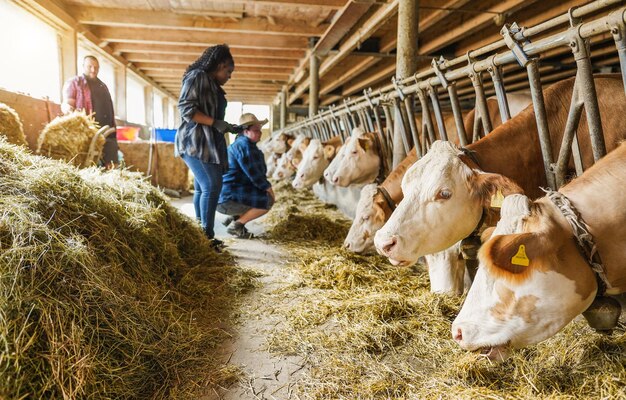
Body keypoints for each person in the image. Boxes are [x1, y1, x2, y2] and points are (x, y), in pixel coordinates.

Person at [175, 44, 239, 250]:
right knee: (212, 185)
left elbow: (213, 116)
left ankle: (200, 235)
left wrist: (228, 126)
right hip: (194, 141)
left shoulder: (211, 84)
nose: (229, 76)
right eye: (228, 71)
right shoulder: (197, 76)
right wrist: (215, 123)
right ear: (220, 65)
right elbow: (186, 109)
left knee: (204, 187)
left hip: (206, 142)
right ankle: (207, 236)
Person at [218, 113, 275, 239]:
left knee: (258, 194)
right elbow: (255, 174)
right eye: (256, 130)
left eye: (260, 130)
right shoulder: (245, 146)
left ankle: (233, 218)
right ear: (245, 131)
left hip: (224, 194)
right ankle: (236, 225)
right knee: (267, 200)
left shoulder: (241, 144)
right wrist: (269, 189)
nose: (260, 133)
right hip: (228, 197)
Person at [62, 55, 119, 169]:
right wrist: (67, 108)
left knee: (111, 162)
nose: (93, 70)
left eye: (96, 67)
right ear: (83, 67)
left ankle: (110, 180)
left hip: (107, 131)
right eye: (90, 67)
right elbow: (67, 104)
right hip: (87, 130)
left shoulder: (103, 86)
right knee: (89, 162)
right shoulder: (75, 82)